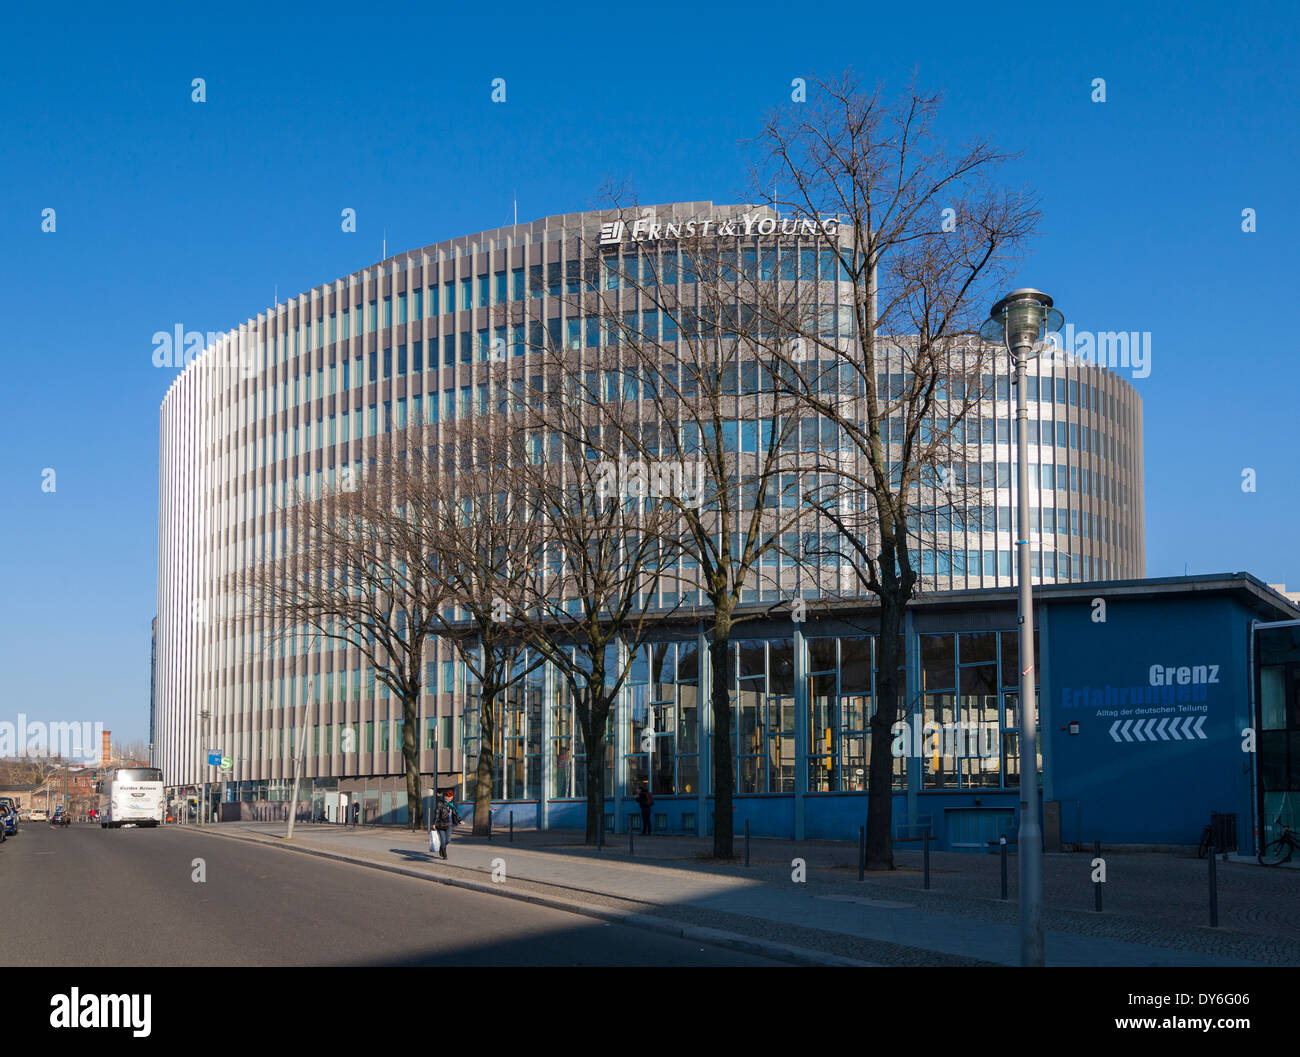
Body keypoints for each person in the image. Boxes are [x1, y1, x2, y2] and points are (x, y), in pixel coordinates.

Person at [431, 788, 463, 860]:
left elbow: (455, 813)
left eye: (451, 797)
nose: (451, 798)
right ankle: (444, 855)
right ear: (446, 797)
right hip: (441, 824)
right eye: (449, 797)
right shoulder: (440, 803)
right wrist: (434, 823)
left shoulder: (451, 804)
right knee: (443, 840)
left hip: (449, 825)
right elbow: (437, 813)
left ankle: (441, 847)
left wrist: (459, 820)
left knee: (448, 840)